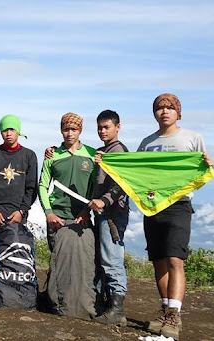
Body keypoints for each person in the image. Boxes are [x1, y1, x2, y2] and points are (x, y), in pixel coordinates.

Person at [136, 93, 214, 340]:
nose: (165, 111)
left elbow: (203, 169)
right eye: (160, 108)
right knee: (159, 260)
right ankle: (166, 310)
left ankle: (174, 314)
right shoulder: (147, 142)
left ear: (178, 112)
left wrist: (207, 167)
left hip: (179, 205)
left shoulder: (192, 138)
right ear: (155, 114)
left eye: (170, 107)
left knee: (175, 259)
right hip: (153, 207)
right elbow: (137, 171)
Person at [38, 112, 97, 319]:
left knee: (84, 260)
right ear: (61, 130)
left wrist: (85, 211)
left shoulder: (92, 154)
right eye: (66, 129)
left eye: (74, 129)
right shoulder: (52, 155)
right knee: (58, 259)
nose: (69, 133)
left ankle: (83, 301)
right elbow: (43, 185)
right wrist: (48, 212)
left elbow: (93, 186)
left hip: (81, 217)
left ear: (80, 130)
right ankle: (56, 302)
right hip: (57, 217)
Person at [0, 114, 38, 295]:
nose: (8, 133)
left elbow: (31, 187)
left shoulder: (29, 156)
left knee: (16, 254)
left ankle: (11, 289)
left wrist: (22, 211)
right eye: (5, 130)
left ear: (18, 131)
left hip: (17, 216)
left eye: (12, 129)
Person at [88, 110, 130, 326]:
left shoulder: (119, 151)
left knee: (112, 259)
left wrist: (104, 200)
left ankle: (116, 310)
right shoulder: (102, 151)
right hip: (103, 214)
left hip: (113, 215)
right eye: (99, 127)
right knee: (105, 258)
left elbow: (122, 185)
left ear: (118, 127)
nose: (102, 131)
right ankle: (110, 306)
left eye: (107, 127)